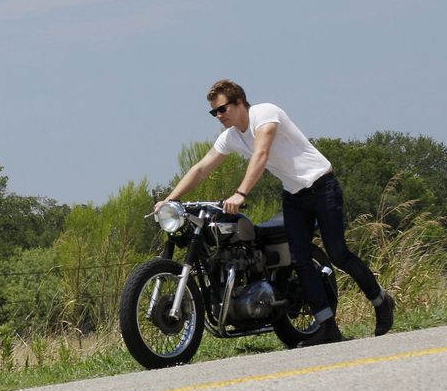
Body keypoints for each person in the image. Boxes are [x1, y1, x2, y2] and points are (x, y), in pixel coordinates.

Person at [156, 79, 394, 346]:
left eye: (222, 109)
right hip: (294, 195)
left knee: (338, 253)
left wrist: (241, 193)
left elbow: (262, 154)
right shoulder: (232, 136)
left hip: (322, 186)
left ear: (239, 102)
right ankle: (327, 327)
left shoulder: (265, 114)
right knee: (300, 260)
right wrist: (170, 199)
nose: (218, 116)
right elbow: (201, 168)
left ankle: (381, 301)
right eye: (214, 112)